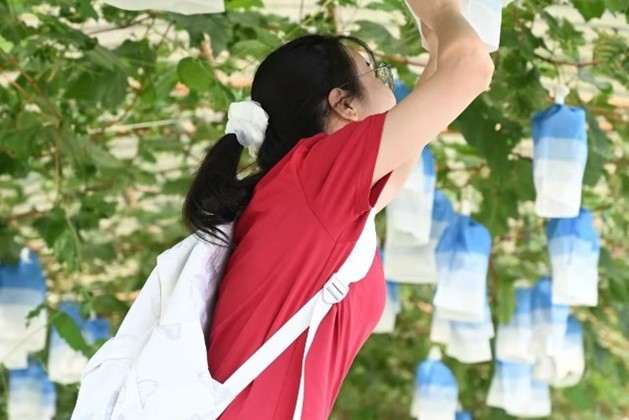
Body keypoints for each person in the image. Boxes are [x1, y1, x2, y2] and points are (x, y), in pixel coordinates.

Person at [182, 0, 494, 418]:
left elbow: (418, 134)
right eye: (377, 71)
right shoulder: (314, 177)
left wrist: (437, 26)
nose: (387, 80)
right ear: (344, 104)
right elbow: (471, 68)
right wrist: (440, 12)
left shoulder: (315, 195)